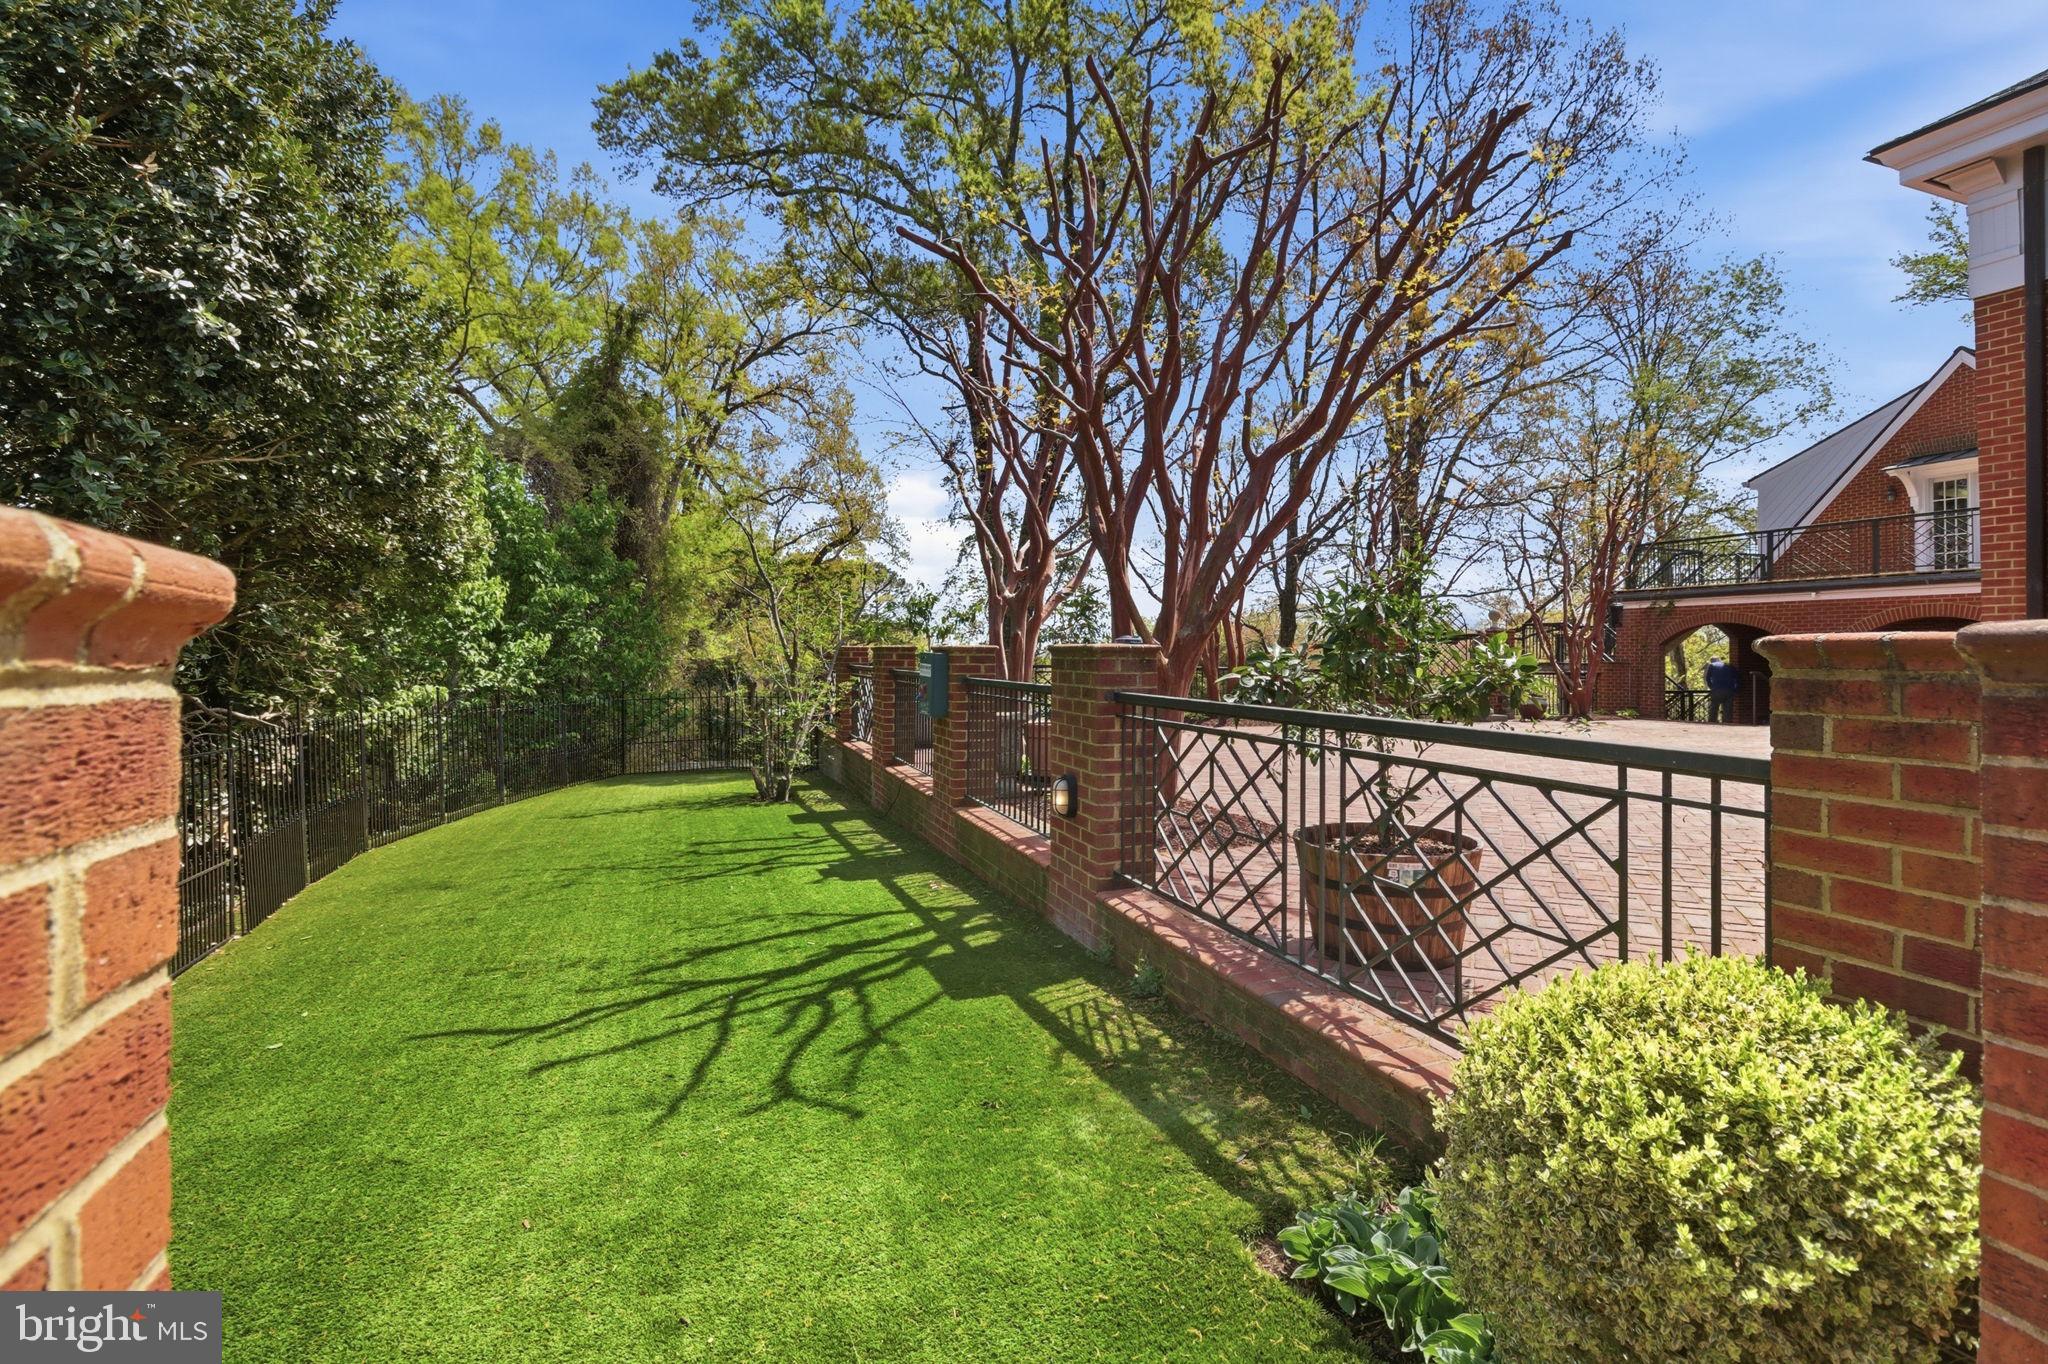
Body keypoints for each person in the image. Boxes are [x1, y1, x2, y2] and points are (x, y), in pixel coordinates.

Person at [1704, 656, 1741, 724]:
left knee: (1714, 708)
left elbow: (1707, 678)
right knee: (1728, 710)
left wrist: (1712, 687)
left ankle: (1711, 724)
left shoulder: (1712, 665)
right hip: (1729, 690)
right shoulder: (1729, 666)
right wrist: (1735, 689)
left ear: (1711, 661)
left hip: (1716, 690)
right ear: (1719, 660)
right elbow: (1737, 678)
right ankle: (1726, 724)